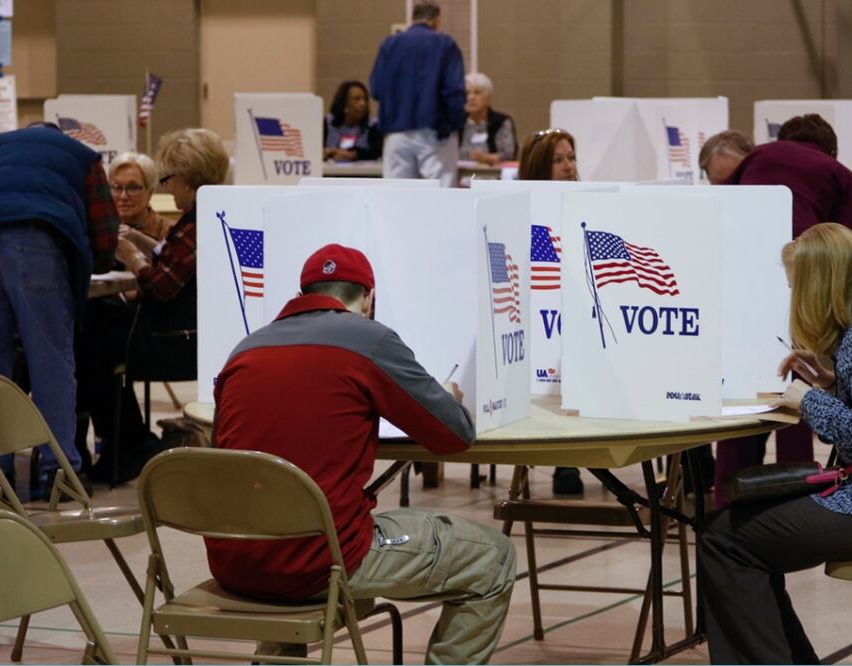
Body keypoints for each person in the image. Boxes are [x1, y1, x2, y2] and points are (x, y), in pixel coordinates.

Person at [209, 244, 516, 664]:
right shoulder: (369, 340)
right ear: (368, 297)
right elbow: (454, 434)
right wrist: (448, 398)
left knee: (293, 541)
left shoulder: (244, 351)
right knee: (493, 558)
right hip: (321, 562)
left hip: (236, 561)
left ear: (303, 293)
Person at [699, 223, 852, 663]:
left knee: (725, 540)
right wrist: (829, 384)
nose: (794, 298)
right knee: (734, 533)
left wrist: (807, 402)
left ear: (820, 284)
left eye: (796, 287)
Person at [0, 124, 118, 487]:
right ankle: (57, 472)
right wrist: (95, 264)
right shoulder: (83, 157)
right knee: (51, 363)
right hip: (36, 242)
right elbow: (105, 230)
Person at [716, 114, 852, 503]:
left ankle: (725, 500)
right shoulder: (842, 175)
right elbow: (839, 251)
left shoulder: (752, 158)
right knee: (798, 386)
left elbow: (722, 207)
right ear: (831, 149)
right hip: (800, 288)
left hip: (738, 288)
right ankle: (797, 497)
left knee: (739, 400)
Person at [78, 128, 229, 483]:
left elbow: (160, 286)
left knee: (89, 345)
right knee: (95, 334)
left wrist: (130, 254)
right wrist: (142, 243)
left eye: (169, 180)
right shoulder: (204, 217)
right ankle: (129, 443)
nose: (167, 188)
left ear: (188, 179)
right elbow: (173, 264)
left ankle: (123, 446)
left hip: (172, 341)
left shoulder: (194, 225)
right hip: (183, 333)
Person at [519, 128, 582, 493]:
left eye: (571, 157)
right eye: (558, 160)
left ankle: (568, 462)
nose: (568, 166)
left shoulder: (586, 202)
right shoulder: (523, 205)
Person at [370, 1, 465, 187]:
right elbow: (453, 91)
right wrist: (456, 124)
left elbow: (376, 88)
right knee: (439, 195)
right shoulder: (445, 44)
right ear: (436, 21)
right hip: (435, 131)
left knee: (396, 196)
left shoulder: (390, 44)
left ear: (412, 19)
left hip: (396, 133)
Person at [726, 113, 852, 237]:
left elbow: (722, 197)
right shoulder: (844, 176)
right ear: (833, 153)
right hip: (803, 253)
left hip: (743, 239)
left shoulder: (758, 153)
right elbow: (843, 244)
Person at [108, 152, 173, 241]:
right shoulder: (100, 229)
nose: (123, 196)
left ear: (150, 192)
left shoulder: (170, 232)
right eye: (117, 187)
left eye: (133, 188)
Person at [459, 72, 517, 166]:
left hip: (492, 175)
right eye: (467, 93)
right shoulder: (457, 122)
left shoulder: (501, 122)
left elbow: (509, 154)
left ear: (488, 98)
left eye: (477, 93)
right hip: (460, 175)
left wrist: (486, 158)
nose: (471, 97)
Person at [323, 80, 383, 162]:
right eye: (357, 99)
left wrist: (352, 155)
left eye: (365, 99)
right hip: (331, 172)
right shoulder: (327, 123)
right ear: (344, 103)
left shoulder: (373, 125)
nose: (363, 103)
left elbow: (378, 152)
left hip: (362, 173)